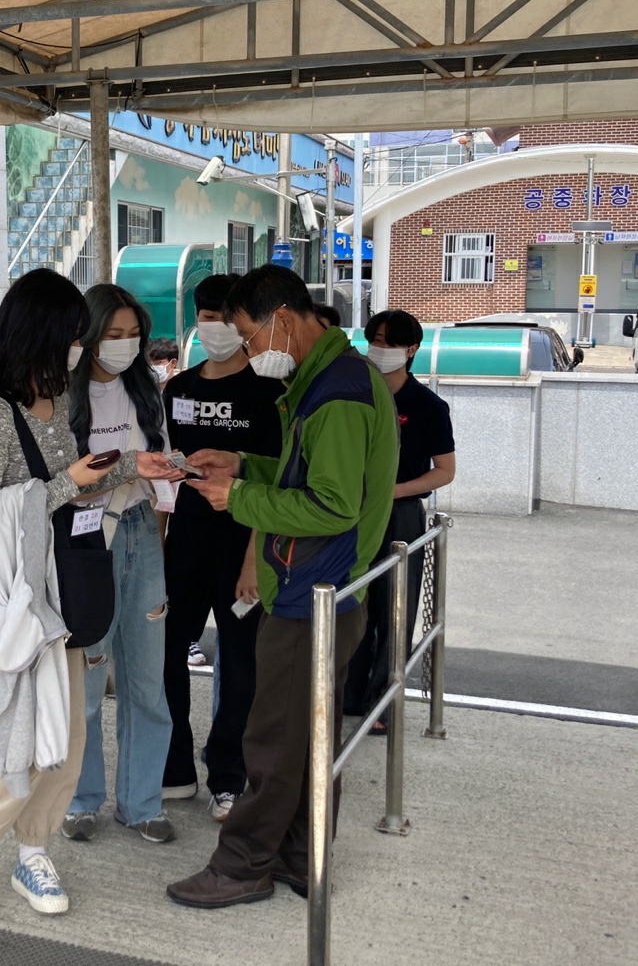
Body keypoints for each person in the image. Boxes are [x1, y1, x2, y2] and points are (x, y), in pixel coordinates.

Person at [0, 268, 177, 928]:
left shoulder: (54, 399)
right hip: (19, 597)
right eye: (75, 334)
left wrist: (131, 466)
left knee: (66, 735)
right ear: (43, 332)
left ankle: (32, 849)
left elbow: (73, 483)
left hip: (65, 586)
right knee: (17, 732)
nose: (82, 346)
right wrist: (67, 482)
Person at [164, 264, 399, 909]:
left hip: (312, 589)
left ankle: (242, 865)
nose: (246, 349)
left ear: (284, 322)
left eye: (249, 335)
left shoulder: (339, 392)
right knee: (306, 739)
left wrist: (236, 497)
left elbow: (331, 506)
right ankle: (301, 855)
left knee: (271, 740)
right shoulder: (327, 379)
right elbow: (305, 475)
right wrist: (243, 463)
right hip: (321, 587)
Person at [160, 274, 283, 823]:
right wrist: (160, 545)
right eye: (207, 317)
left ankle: (228, 776)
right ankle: (175, 769)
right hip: (184, 545)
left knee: (240, 667)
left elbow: (274, 482)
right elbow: (162, 474)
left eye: (225, 319)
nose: (215, 328)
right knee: (167, 656)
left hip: (243, 545)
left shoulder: (269, 393)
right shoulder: (177, 389)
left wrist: (255, 558)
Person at [63, 284, 175, 846]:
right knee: (86, 680)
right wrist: (127, 469)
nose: (125, 345)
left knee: (147, 680)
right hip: (84, 543)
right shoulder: (60, 394)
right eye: (113, 334)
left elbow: (161, 467)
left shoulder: (146, 388)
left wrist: (157, 532)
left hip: (140, 532)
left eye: (134, 335)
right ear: (86, 335)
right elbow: (63, 483)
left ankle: (142, 802)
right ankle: (80, 799)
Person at [344, 309, 456, 731]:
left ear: (412, 350)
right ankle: (347, 694)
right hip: (350, 512)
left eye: (390, 342)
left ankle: (382, 703)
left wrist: (391, 491)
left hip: (399, 517)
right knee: (350, 604)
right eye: (375, 339)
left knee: (394, 611)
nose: (380, 348)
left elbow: (444, 471)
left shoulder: (428, 406)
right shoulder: (353, 393)